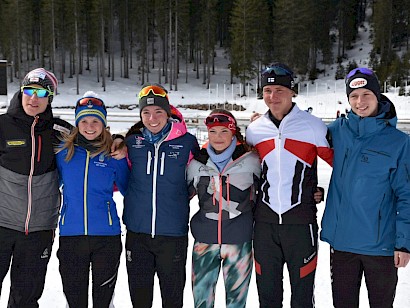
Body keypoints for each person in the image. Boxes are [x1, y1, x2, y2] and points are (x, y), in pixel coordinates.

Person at [320, 67, 410, 308]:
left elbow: (407, 195)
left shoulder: (399, 142)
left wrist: (403, 243)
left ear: (378, 96)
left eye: (366, 95)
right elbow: (301, 139)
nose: (360, 102)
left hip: (381, 245)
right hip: (342, 244)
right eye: (354, 96)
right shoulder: (337, 131)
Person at [245, 63, 333, 308]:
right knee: (268, 298)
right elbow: (244, 170)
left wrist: (324, 191)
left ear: (292, 91)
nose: (273, 97)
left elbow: (343, 167)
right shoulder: (254, 130)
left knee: (302, 298)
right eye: (267, 90)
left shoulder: (313, 126)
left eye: (279, 90)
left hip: (300, 224)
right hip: (264, 224)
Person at [120, 84, 199, 308]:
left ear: (168, 112)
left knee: (172, 299)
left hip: (172, 234)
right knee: (140, 299)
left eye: (158, 112)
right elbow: (123, 177)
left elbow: (198, 178)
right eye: (146, 112)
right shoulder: (132, 142)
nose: (152, 118)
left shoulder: (187, 142)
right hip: (138, 233)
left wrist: (178, 199)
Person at [0, 68, 72, 307]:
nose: (34, 98)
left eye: (41, 93)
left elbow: (95, 142)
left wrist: (119, 141)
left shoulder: (60, 132)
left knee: (26, 298)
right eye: (29, 91)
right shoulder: (3, 126)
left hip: (39, 229)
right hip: (1, 223)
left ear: (49, 98)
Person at [55, 92, 129, 308]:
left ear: (103, 123)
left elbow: (128, 189)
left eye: (95, 121)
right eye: (84, 121)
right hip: (71, 235)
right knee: (75, 300)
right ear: (77, 123)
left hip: (106, 236)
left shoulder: (113, 154)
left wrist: (123, 154)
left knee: (103, 302)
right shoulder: (63, 153)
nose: (90, 126)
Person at [186, 109, 260, 308]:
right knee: (202, 301)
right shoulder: (196, 164)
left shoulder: (252, 160)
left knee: (236, 302)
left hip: (239, 242)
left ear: (234, 132)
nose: (218, 137)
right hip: (205, 241)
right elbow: (181, 196)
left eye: (224, 132)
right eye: (213, 132)